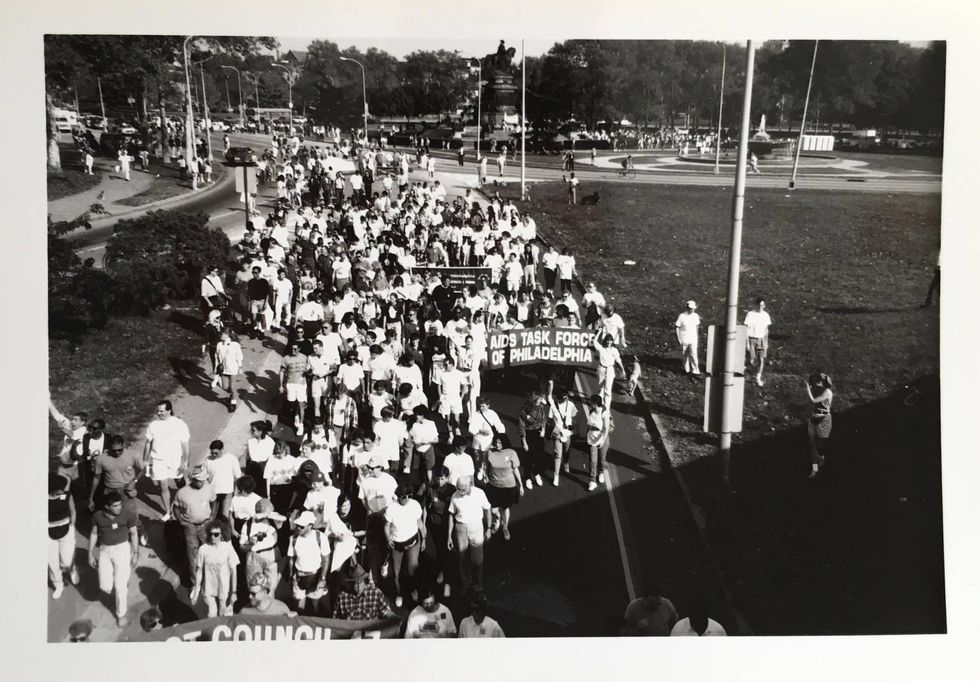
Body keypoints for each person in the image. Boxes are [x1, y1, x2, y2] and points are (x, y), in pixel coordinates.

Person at [88, 491, 139, 627]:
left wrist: (135, 553)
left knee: (120, 586)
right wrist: (90, 553)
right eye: (115, 506)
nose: (119, 508)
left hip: (122, 549)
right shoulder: (97, 516)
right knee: (105, 587)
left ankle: (121, 614)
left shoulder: (128, 515)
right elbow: (93, 534)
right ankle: (122, 579)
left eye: (120, 505)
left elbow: (134, 534)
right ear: (106, 506)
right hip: (105, 550)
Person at [143, 400, 190, 521]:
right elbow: (148, 443)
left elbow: (185, 444)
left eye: (161, 411)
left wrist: (185, 461)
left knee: (179, 482)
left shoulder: (179, 424)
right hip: (158, 460)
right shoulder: (153, 425)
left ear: (169, 410)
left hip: (174, 459)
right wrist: (145, 460)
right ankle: (168, 512)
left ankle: (187, 503)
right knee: (163, 485)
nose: (159, 413)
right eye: (158, 411)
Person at [447, 475, 492, 596]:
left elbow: (488, 509)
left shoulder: (479, 493)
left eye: (463, 489)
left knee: (477, 559)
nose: (460, 491)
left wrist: (488, 528)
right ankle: (466, 583)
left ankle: (478, 583)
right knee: (462, 558)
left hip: (476, 527)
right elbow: (451, 515)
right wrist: (449, 536)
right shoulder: (455, 496)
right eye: (458, 488)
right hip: (460, 528)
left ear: (470, 484)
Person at [173, 466, 218, 587]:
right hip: (190, 528)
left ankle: (211, 580)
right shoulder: (182, 493)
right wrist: (182, 522)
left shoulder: (209, 488)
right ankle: (195, 584)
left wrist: (212, 516)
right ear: (192, 479)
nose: (202, 482)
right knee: (193, 556)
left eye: (203, 479)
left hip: (206, 525)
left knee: (209, 552)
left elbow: (214, 502)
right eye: (199, 480)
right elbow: (175, 508)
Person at [384, 483, 426, 607]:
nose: (406, 499)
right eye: (403, 496)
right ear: (398, 496)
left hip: (413, 542)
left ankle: (413, 590)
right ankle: (399, 594)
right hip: (397, 544)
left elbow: (420, 524)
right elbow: (386, 526)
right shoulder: (391, 508)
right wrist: (388, 539)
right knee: (396, 572)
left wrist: (423, 539)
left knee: (412, 569)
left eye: (409, 496)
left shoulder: (415, 505)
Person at [190, 521, 239, 618]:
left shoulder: (228, 548)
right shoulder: (203, 549)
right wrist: (196, 593)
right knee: (211, 615)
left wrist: (234, 592)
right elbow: (199, 571)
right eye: (211, 534)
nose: (213, 537)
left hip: (223, 587)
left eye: (216, 534)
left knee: (222, 613)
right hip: (208, 587)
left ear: (221, 535)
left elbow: (234, 571)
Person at [286, 510, 331, 614]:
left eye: (302, 526)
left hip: (316, 576)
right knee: (298, 608)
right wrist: (291, 575)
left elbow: (326, 560)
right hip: (299, 577)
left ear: (310, 526)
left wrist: (322, 578)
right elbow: (291, 559)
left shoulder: (321, 537)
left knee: (315, 606)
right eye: (298, 525)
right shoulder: (293, 539)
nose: (298, 528)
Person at [484, 435, 523, 540]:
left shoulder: (511, 453)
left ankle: (505, 527)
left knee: (505, 508)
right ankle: (497, 520)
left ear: (505, 443)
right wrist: (486, 477)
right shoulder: (490, 452)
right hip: (493, 485)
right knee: (493, 510)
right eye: (496, 442)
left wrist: (521, 485)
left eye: (500, 443)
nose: (497, 445)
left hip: (508, 486)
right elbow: (486, 467)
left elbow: (515, 470)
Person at [48, 472, 79, 599]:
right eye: (61, 488)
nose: (64, 490)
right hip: (48, 533)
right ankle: (58, 585)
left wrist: (72, 525)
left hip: (66, 530)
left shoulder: (67, 495)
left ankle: (73, 570)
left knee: (67, 560)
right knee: (52, 563)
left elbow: (73, 511)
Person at [204, 439, 242, 523]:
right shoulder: (208, 460)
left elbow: (238, 476)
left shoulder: (232, 458)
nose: (214, 455)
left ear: (222, 450)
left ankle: (225, 534)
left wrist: (236, 491)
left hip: (227, 491)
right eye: (212, 453)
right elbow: (205, 477)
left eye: (216, 453)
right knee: (212, 515)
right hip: (213, 491)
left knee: (225, 516)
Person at [469, 397, 504, 482]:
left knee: (486, 457)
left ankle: (485, 471)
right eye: (480, 406)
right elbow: (471, 428)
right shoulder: (475, 414)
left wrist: (500, 436)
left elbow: (499, 426)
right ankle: (479, 469)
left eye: (483, 406)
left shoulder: (492, 414)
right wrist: (480, 431)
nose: (481, 408)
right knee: (477, 457)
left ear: (488, 405)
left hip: (488, 440)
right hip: (477, 439)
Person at [805, 373, 834, 478]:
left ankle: (822, 458)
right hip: (814, 418)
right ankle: (815, 469)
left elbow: (813, 400)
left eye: (819, 381)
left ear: (824, 383)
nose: (817, 382)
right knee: (812, 445)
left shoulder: (827, 392)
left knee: (820, 447)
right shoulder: (820, 389)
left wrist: (808, 388)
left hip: (824, 420)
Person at [519, 391, 549, 489]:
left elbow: (544, 419)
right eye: (540, 398)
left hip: (539, 433)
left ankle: (536, 473)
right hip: (529, 434)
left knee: (539, 456)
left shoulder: (541, 407)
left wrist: (543, 429)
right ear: (535, 400)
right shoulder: (524, 412)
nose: (542, 400)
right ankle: (527, 478)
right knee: (529, 457)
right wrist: (524, 442)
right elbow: (521, 426)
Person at [548, 389, 579, 486]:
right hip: (557, 433)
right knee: (558, 455)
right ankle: (556, 476)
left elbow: (574, 413)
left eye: (565, 398)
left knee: (566, 450)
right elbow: (550, 419)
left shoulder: (570, 404)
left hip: (568, 433)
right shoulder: (553, 406)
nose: (565, 400)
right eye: (563, 399)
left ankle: (566, 463)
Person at [280, 341, 310, 436]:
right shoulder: (286, 359)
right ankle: (296, 415)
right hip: (290, 384)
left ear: (299, 349)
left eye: (295, 349)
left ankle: (300, 425)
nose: (293, 350)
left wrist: (308, 372)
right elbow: (281, 372)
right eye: (292, 348)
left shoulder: (305, 358)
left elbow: (309, 371)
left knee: (301, 405)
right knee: (292, 402)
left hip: (301, 384)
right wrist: (280, 385)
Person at [583, 394, 612, 491]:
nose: (590, 403)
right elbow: (589, 425)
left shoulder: (604, 413)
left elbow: (606, 428)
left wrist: (602, 441)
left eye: (591, 402)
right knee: (593, 461)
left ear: (595, 403)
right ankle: (592, 481)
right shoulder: (592, 411)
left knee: (602, 459)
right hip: (592, 439)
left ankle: (601, 472)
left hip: (602, 439)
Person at [744, 297, 772, 387]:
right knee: (752, 360)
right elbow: (746, 329)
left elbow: (766, 330)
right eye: (759, 305)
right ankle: (746, 371)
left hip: (762, 339)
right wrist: (747, 342)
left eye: (762, 305)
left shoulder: (766, 315)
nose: (761, 307)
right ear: (755, 305)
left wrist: (766, 342)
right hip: (752, 339)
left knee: (761, 359)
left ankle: (758, 378)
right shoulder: (750, 314)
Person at [593, 331, 626, 408]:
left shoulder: (614, 350)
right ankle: (599, 405)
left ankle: (607, 408)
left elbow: (618, 360)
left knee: (608, 390)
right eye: (607, 340)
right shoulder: (601, 349)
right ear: (605, 341)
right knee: (600, 388)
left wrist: (623, 370)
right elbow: (594, 341)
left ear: (612, 341)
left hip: (610, 370)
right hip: (601, 369)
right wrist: (600, 331)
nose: (609, 342)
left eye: (610, 340)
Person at [214, 330, 244, 411]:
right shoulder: (219, 345)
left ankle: (233, 404)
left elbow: (239, 356)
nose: (220, 335)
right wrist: (216, 368)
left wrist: (240, 367)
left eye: (222, 334)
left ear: (227, 335)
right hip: (223, 369)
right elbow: (216, 356)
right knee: (224, 387)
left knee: (232, 386)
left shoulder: (235, 345)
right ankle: (232, 394)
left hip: (233, 368)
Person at [675, 300, 701, 377]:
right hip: (684, 338)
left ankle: (695, 371)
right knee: (684, 355)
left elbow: (697, 326)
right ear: (687, 308)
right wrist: (679, 338)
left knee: (693, 354)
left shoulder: (695, 316)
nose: (691, 310)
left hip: (693, 339)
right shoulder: (682, 316)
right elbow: (677, 326)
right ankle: (686, 370)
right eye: (690, 308)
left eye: (693, 308)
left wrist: (696, 336)